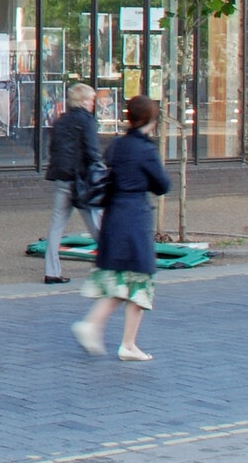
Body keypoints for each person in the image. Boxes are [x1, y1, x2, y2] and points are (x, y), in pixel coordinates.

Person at [73, 95, 171, 362]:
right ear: (151, 120)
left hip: (113, 216)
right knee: (139, 280)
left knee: (121, 279)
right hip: (135, 219)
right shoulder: (146, 150)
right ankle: (119, 339)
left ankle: (111, 334)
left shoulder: (116, 145)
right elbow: (162, 185)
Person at [43, 83, 103, 284]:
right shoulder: (86, 121)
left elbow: (53, 148)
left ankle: (52, 271)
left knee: (56, 226)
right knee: (96, 223)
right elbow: (92, 151)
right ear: (84, 101)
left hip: (62, 177)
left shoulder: (60, 121)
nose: (93, 103)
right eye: (91, 99)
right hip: (82, 180)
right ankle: (110, 264)